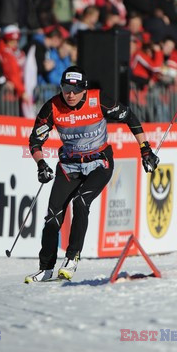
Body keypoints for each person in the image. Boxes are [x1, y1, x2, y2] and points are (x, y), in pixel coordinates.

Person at [24, 66, 159, 283]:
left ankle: (72, 257)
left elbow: (129, 116)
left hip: (99, 163)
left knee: (80, 202)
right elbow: (35, 141)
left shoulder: (98, 100)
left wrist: (145, 149)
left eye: (75, 90)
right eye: (66, 89)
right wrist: (41, 164)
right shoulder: (52, 107)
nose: (70, 94)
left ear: (84, 90)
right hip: (69, 167)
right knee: (52, 216)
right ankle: (45, 268)